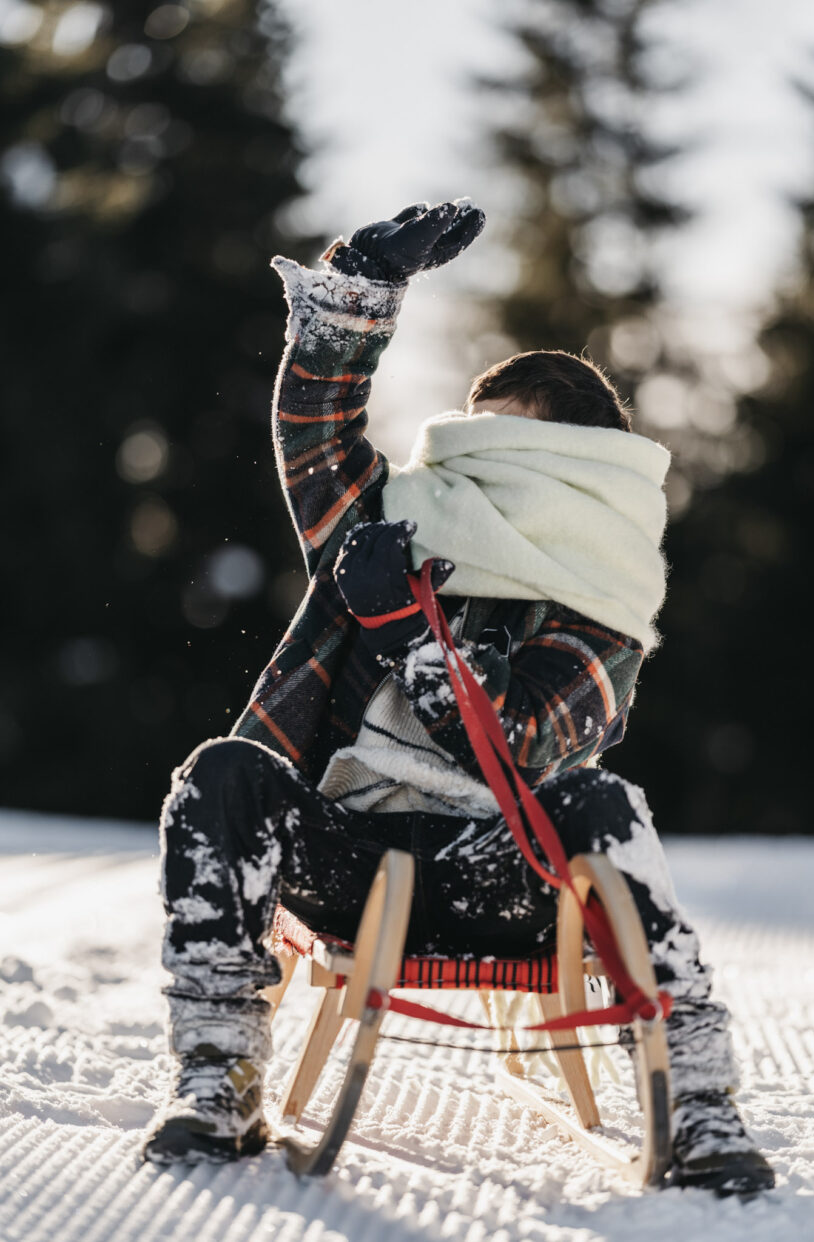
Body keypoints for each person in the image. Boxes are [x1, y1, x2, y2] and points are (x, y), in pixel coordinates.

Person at [143, 200, 774, 1196]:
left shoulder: (599, 598)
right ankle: (217, 1075)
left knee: (606, 806)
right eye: (472, 435)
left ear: (573, 466)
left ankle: (698, 1100)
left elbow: (515, 745)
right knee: (222, 774)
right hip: (344, 853)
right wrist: (361, 282)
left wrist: (405, 628)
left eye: (509, 445)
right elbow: (314, 430)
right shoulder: (394, 529)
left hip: (500, 877)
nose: (477, 463)